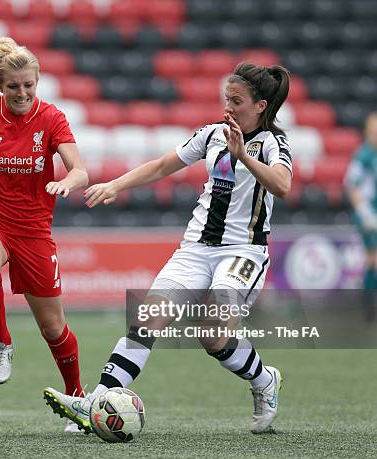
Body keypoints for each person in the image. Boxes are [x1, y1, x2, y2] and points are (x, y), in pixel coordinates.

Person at [44, 62, 292, 434]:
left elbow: (282, 186)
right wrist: (116, 185)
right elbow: (162, 165)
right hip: (196, 247)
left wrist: (243, 157)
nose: (228, 107)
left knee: (213, 334)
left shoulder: (273, 143)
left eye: (237, 101)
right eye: (226, 98)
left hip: (242, 251)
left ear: (260, 106)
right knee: (147, 319)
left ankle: (264, 381)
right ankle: (96, 404)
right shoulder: (212, 134)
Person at [0, 37, 89, 431]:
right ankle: (2, 343)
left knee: (53, 327)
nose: (21, 92)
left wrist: (68, 182)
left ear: (37, 82)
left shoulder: (52, 117)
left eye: (28, 85)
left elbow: (80, 169)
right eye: (13, 86)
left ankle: (78, 400)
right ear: (0, 87)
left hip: (34, 227)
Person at [344, 111, 377, 321]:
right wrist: (365, 213)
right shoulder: (363, 155)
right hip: (369, 215)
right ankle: (368, 306)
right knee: (373, 258)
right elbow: (351, 186)